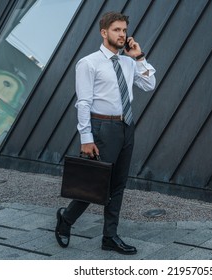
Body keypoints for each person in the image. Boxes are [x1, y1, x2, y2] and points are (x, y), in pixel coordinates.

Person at [55, 11, 156, 255]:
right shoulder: (88, 63)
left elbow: (149, 85)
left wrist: (139, 57)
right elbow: (84, 103)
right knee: (94, 183)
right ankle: (66, 220)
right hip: (102, 127)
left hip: (126, 127)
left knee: (118, 185)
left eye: (124, 30)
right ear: (104, 33)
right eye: (116, 30)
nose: (122, 34)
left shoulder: (129, 62)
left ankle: (109, 237)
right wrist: (86, 138)